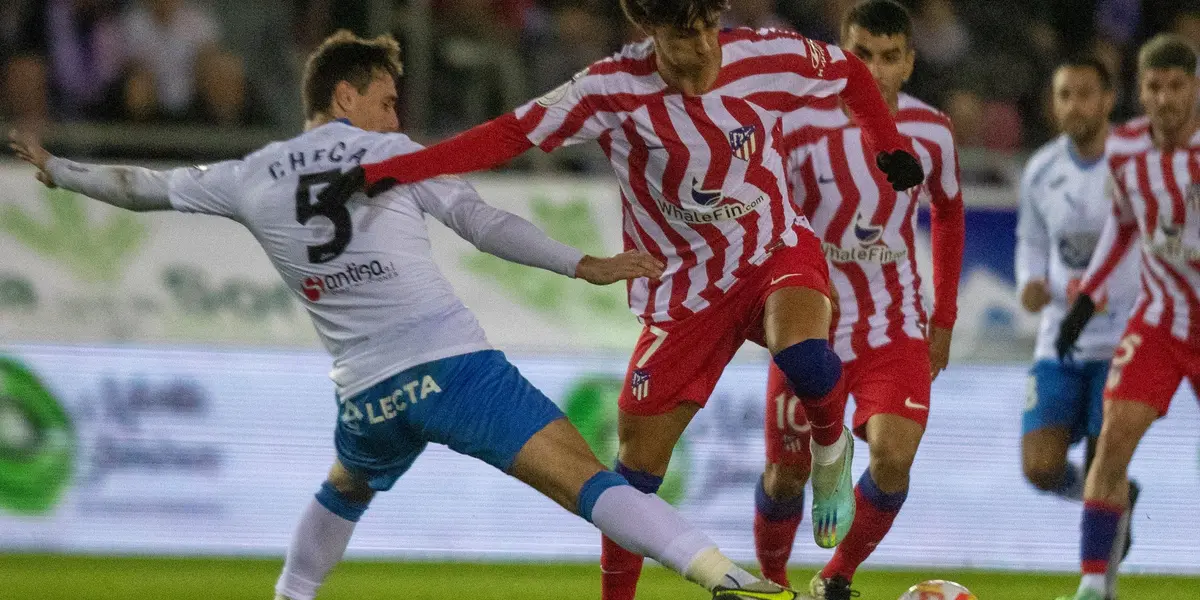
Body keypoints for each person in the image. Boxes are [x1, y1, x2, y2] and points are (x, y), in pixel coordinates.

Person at [8, 30, 801, 600]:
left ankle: (291, 596)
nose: (396, 118)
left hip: (367, 393)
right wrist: (583, 263)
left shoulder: (247, 174)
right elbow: (483, 223)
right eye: (386, 101)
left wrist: (60, 171)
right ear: (345, 97)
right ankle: (721, 577)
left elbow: (141, 187)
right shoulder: (390, 155)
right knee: (588, 478)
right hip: (453, 369)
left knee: (346, 483)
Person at [319, 3, 925, 597]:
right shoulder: (610, 90)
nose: (703, 47)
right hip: (683, 290)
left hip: (773, 249)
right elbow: (509, 134)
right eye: (686, 35)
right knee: (633, 477)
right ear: (651, 30)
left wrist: (885, 141)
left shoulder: (762, 54)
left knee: (805, 354)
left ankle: (829, 447)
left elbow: (847, 69)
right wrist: (397, 169)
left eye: (709, 28)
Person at [751, 3, 963, 598]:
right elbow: (772, 219)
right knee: (786, 475)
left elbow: (949, 211)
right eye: (860, 54)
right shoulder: (798, 126)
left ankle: (834, 577)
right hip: (808, 326)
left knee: (894, 457)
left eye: (889, 57)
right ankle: (770, 582)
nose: (872, 69)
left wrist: (942, 319)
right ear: (842, 55)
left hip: (892, 325)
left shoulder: (932, 132)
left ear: (909, 63)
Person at [1054, 34, 1200, 600]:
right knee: (1111, 442)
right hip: (1161, 320)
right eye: (1154, 87)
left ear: (1194, 89)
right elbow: (1123, 223)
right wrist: (1088, 297)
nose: (1165, 99)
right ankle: (1095, 585)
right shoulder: (1125, 150)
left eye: (1177, 86)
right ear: (1139, 91)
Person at [1015, 55, 1140, 578]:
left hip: (1121, 341)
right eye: (1064, 94)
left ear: (1109, 99)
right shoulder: (1041, 169)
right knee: (1039, 467)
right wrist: (1029, 285)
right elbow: (1032, 240)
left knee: (1100, 466)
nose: (1074, 105)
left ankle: (1100, 587)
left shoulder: (1132, 160)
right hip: (1059, 343)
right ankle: (1118, 501)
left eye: (1086, 93)